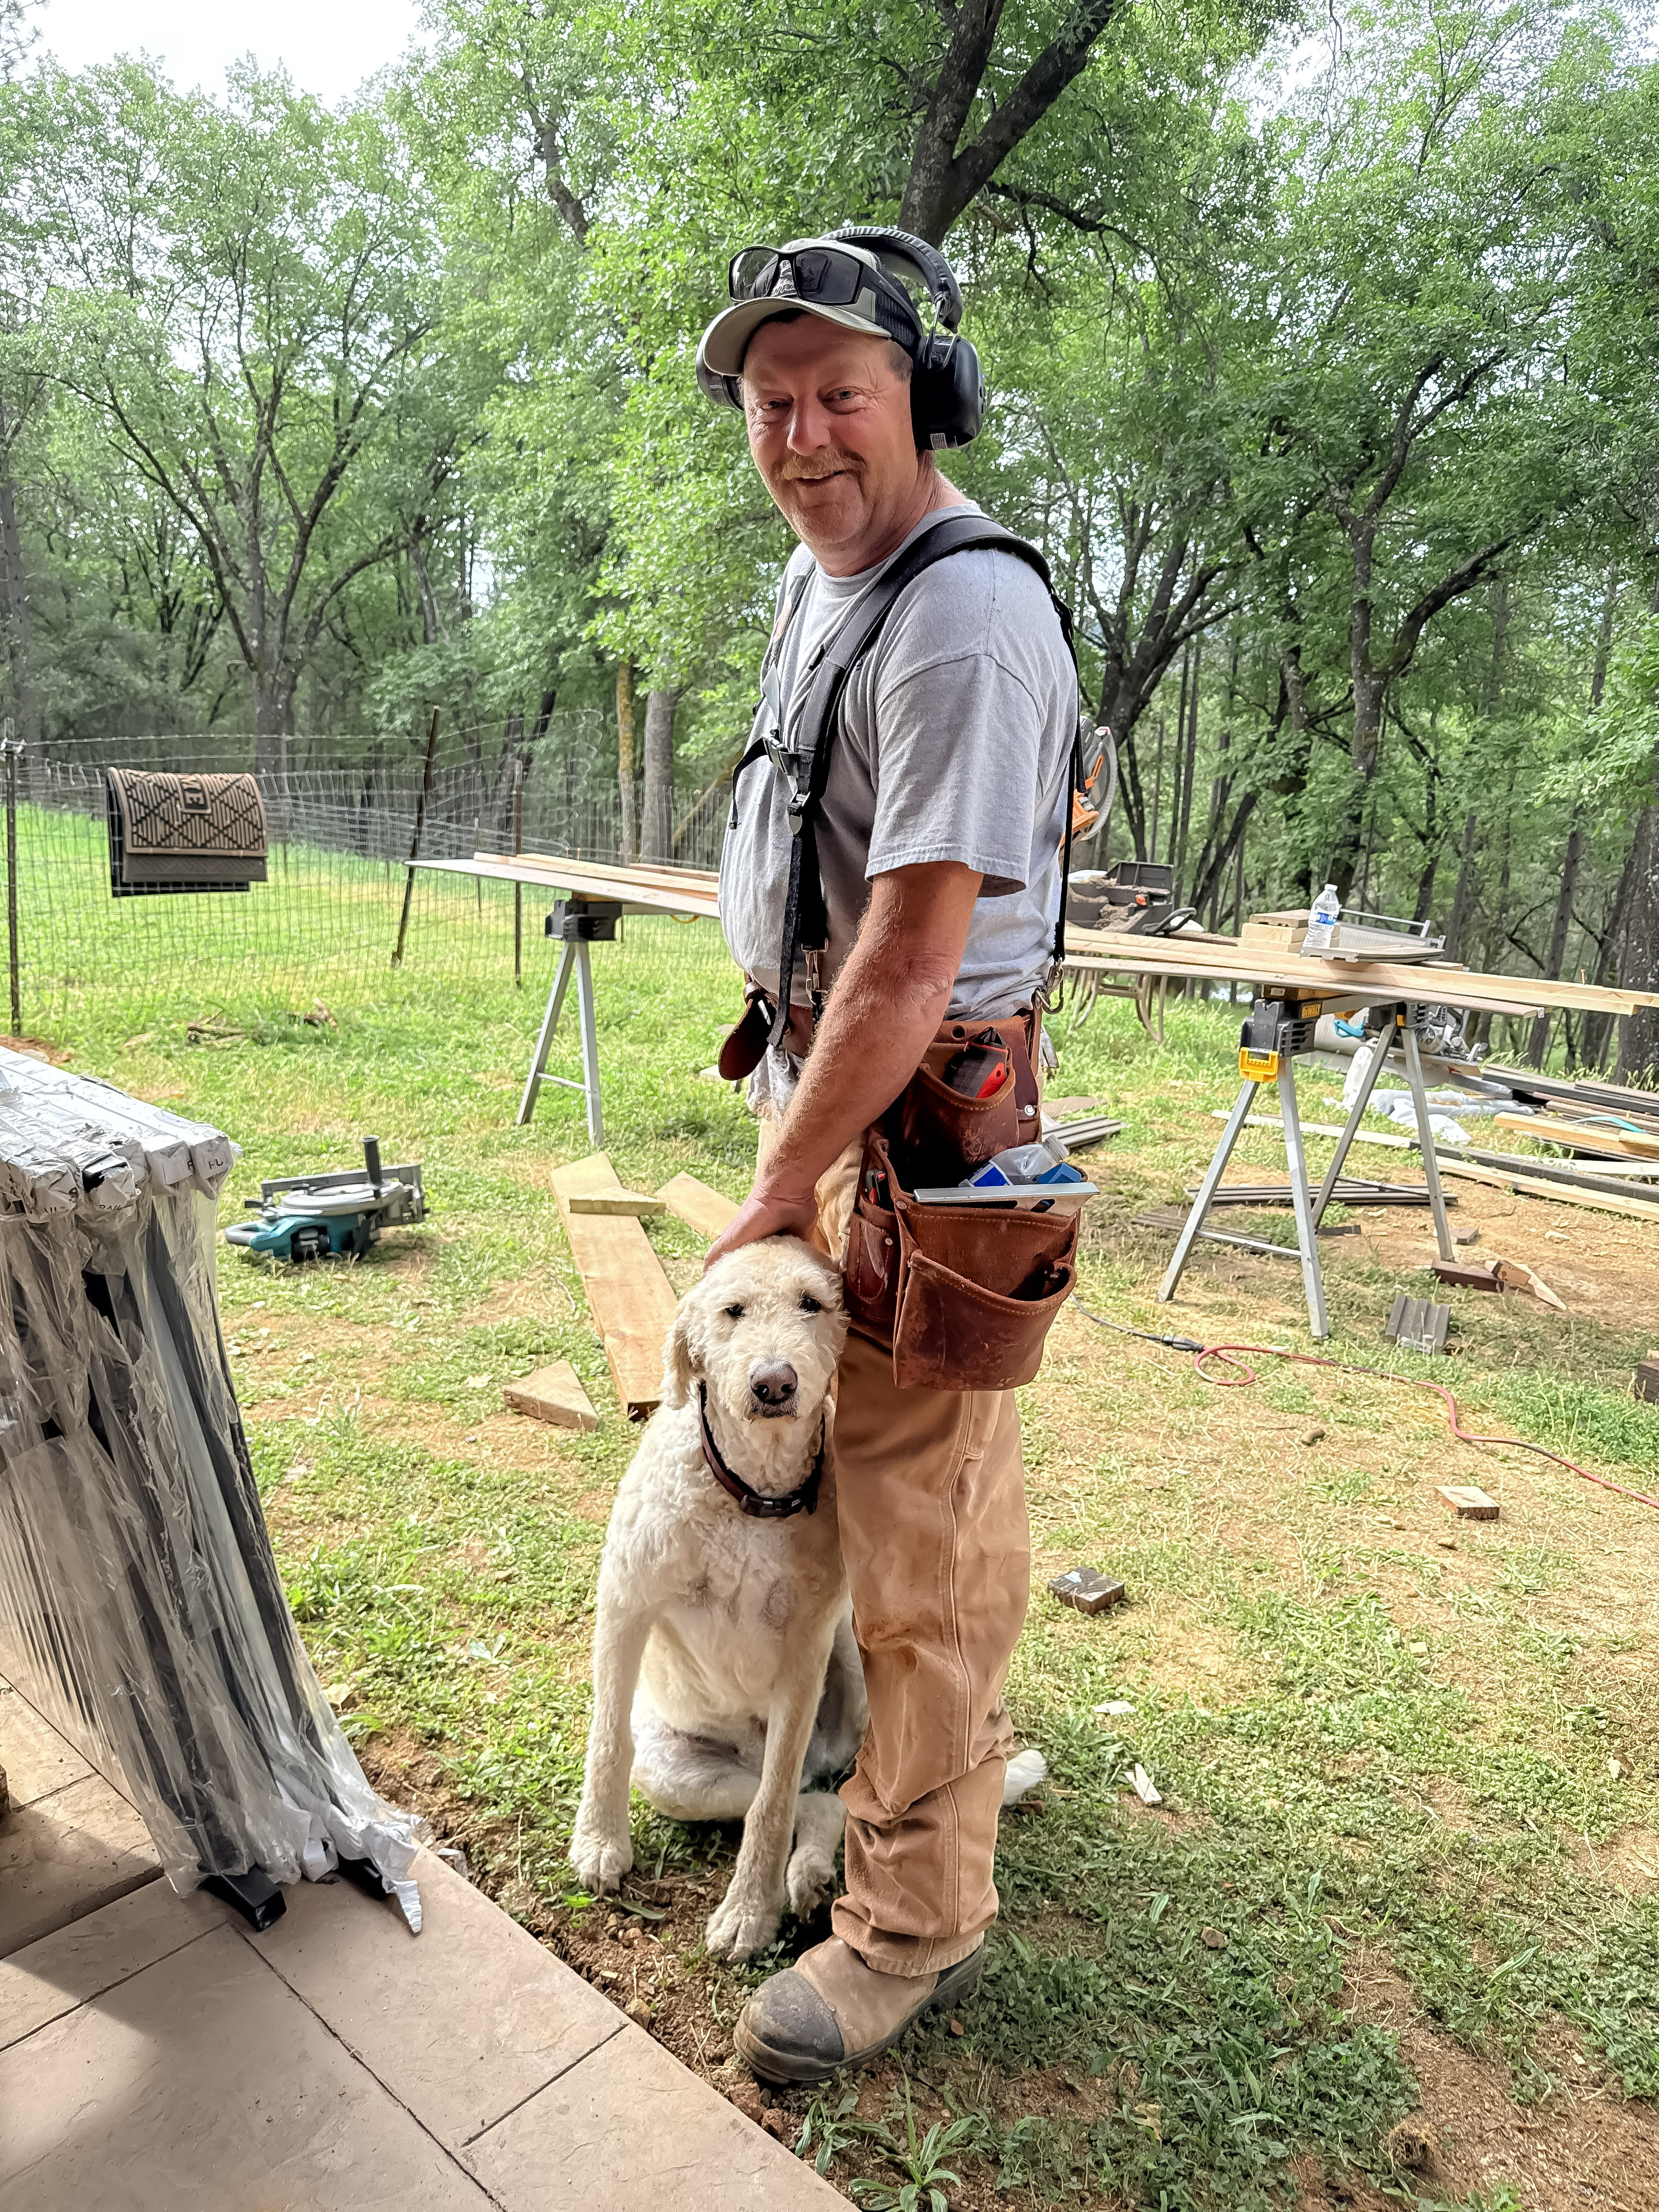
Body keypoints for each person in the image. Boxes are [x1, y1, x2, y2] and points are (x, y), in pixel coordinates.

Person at [695, 230, 1079, 2086]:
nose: (800, 434)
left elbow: (920, 959)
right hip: (838, 1105)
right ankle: (896, 1771)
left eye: (839, 391)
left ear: (925, 395)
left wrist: (784, 1176)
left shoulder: (965, 617)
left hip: (927, 1140)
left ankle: (912, 1924)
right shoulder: (822, 573)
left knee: (923, 1536)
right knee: (878, 1505)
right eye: (772, 404)